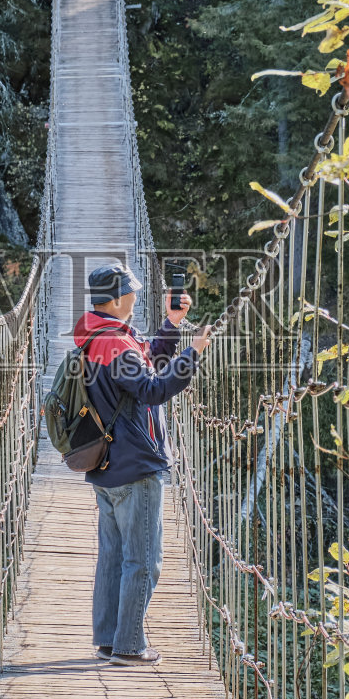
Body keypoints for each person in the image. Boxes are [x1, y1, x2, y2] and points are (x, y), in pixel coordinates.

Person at [72, 262, 212, 667]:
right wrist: (193, 353)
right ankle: (130, 645)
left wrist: (171, 325)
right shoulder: (114, 343)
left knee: (114, 557)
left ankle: (107, 639)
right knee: (144, 561)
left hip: (107, 464)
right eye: (131, 291)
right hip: (135, 466)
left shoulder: (97, 334)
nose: (136, 297)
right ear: (117, 300)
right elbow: (153, 389)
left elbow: (145, 360)